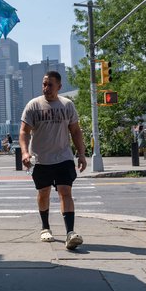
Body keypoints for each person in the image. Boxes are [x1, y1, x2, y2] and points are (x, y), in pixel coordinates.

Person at [19, 71, 87, 250]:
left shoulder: (67, 105)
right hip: (41, 159)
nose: (46, 88)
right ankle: (45, 227)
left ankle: (70, 233)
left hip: (63, 157)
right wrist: (25, 153)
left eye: (50, 84)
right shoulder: (34, 105)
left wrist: (81, 154)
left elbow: (75, 131)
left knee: (65, 191)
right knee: (44, 193)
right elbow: (24, 132)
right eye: (44, 84)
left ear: (59, 86)